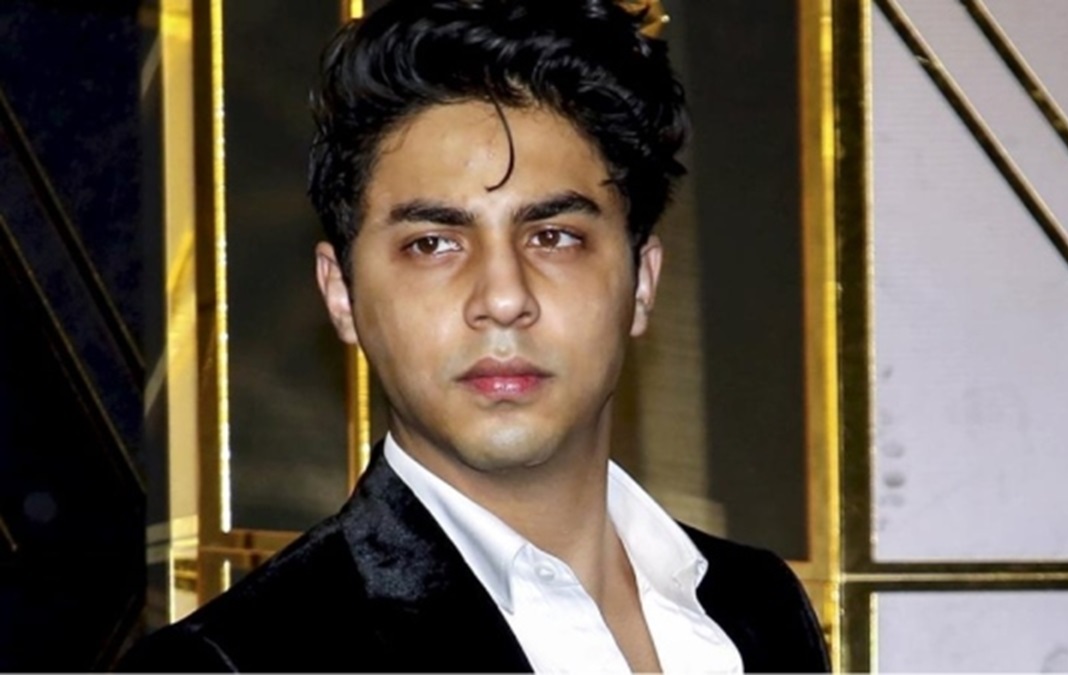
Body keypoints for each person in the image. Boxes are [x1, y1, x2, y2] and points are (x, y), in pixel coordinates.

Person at [119, 0, 829, 671]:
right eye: (433, 244)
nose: (503, 298)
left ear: (642, 282)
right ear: (341, 294)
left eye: (553, 236)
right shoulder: (235, 660)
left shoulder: (758, 607)